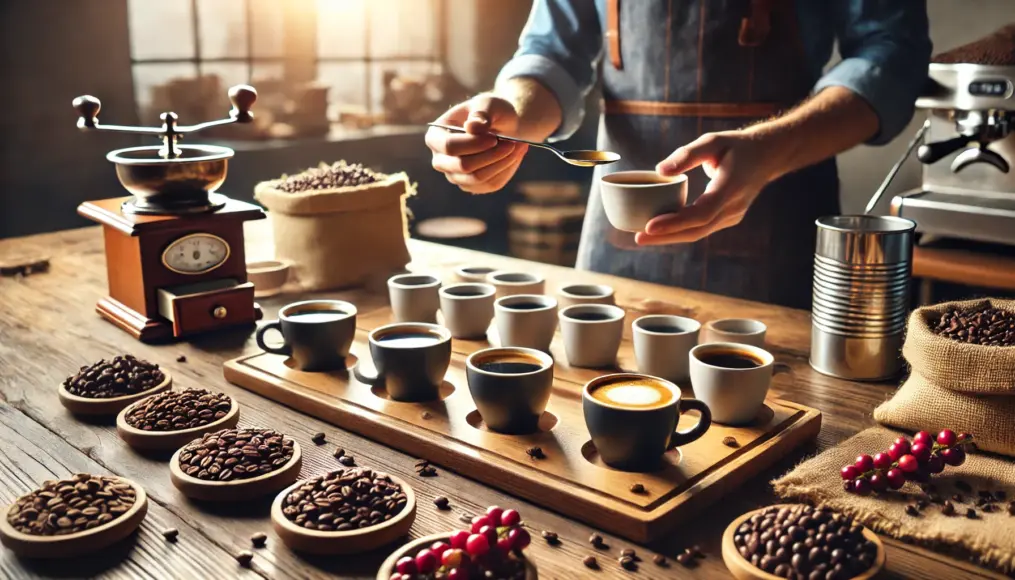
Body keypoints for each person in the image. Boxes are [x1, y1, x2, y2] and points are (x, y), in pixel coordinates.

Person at [425, 1, 931, 308]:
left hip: (780, 228)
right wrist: (510, 116)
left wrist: (769, 148)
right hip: (614, 247)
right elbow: (553, 53)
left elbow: (891, 56)